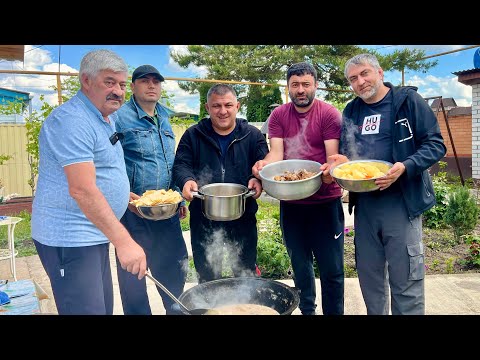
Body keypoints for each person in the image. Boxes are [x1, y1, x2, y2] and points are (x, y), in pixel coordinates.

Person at [329, 53, 447, 315]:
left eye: (364, 74)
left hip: (401, 203)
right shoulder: (352, 110)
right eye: (353, 79)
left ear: (380, 73)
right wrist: (342, 162)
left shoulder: (407, 102)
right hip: (366, 206)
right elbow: (349, 154)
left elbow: (435, 144)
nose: (360, 82)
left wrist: (405, 166)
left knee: (406, 279)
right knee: (370, 280)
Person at [31, 49, 147, 315]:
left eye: (121, 84)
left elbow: (100, 170)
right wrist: (125, 242)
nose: (118, 91)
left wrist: (122, 195)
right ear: (86, 80)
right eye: (109, 82)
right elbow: (82, 189)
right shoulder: (71, 121)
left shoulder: (105, 117)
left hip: (93, 233)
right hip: (70, 238)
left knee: (102, 308)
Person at [252, 62, 345, 315]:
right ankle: (307, 311)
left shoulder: (328, 114)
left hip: (326, 202)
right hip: (292, 205)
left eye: (306, 84)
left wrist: (328, 174)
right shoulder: (279, 115)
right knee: (301, 266)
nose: (300, 90)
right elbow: (277, 154)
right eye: (295, 85)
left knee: (332, 269)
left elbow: (332, 156)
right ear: (288, 88)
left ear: (315, 85)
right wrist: (263, 165)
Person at [172, 84, 268, 284]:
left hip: (243, 214)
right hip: (203, 216)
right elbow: (181, 164)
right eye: (216, 106)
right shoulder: (193, 135)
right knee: (207, 275)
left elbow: (263, 164)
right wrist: (187, 180)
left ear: (237, 106)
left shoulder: (253, 135)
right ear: (207, 108)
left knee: (244, 273)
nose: (222, 111)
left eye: (228, 105)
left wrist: (258, 179)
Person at [114, 64, 188, 315]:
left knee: (175, 272)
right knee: (133, 279)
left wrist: (179, 197)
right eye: (144, 81)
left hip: (166, 213)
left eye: (156, 81)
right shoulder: (118, 117)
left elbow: (172, 162)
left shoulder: (164, 117)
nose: (151, 85)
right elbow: (106, 161)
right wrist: (121, 195)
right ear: (133, 86)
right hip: (134, 214)